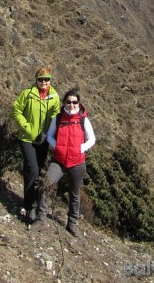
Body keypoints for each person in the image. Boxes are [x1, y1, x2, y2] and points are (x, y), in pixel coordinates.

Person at [32, 88, 96, 237]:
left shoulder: (83, 120)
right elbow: (49, 135)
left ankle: (72, 224)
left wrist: (81, 148)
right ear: (64, 103)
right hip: (59, 161)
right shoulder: (59, 118)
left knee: (74, 194)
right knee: (45, 185)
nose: (72, 105)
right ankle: (41, 219)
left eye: (75, 102)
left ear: (79, 103)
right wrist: (57, 146)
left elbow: (91, 139)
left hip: (77, 162)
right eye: (68, 102)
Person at [12, 66, 60, 222]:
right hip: (27, 138)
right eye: (41, 79)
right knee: (32, 169)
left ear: (50, 80)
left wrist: (49, 134)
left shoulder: (54, 97)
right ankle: (29, 206)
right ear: (36, 80)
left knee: (37, 171)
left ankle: (34, 203)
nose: (44, 82)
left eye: (46, 79)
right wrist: (27, 128)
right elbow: (16, 109)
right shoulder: (28, 94)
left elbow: (56, 117)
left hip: (43, 140)